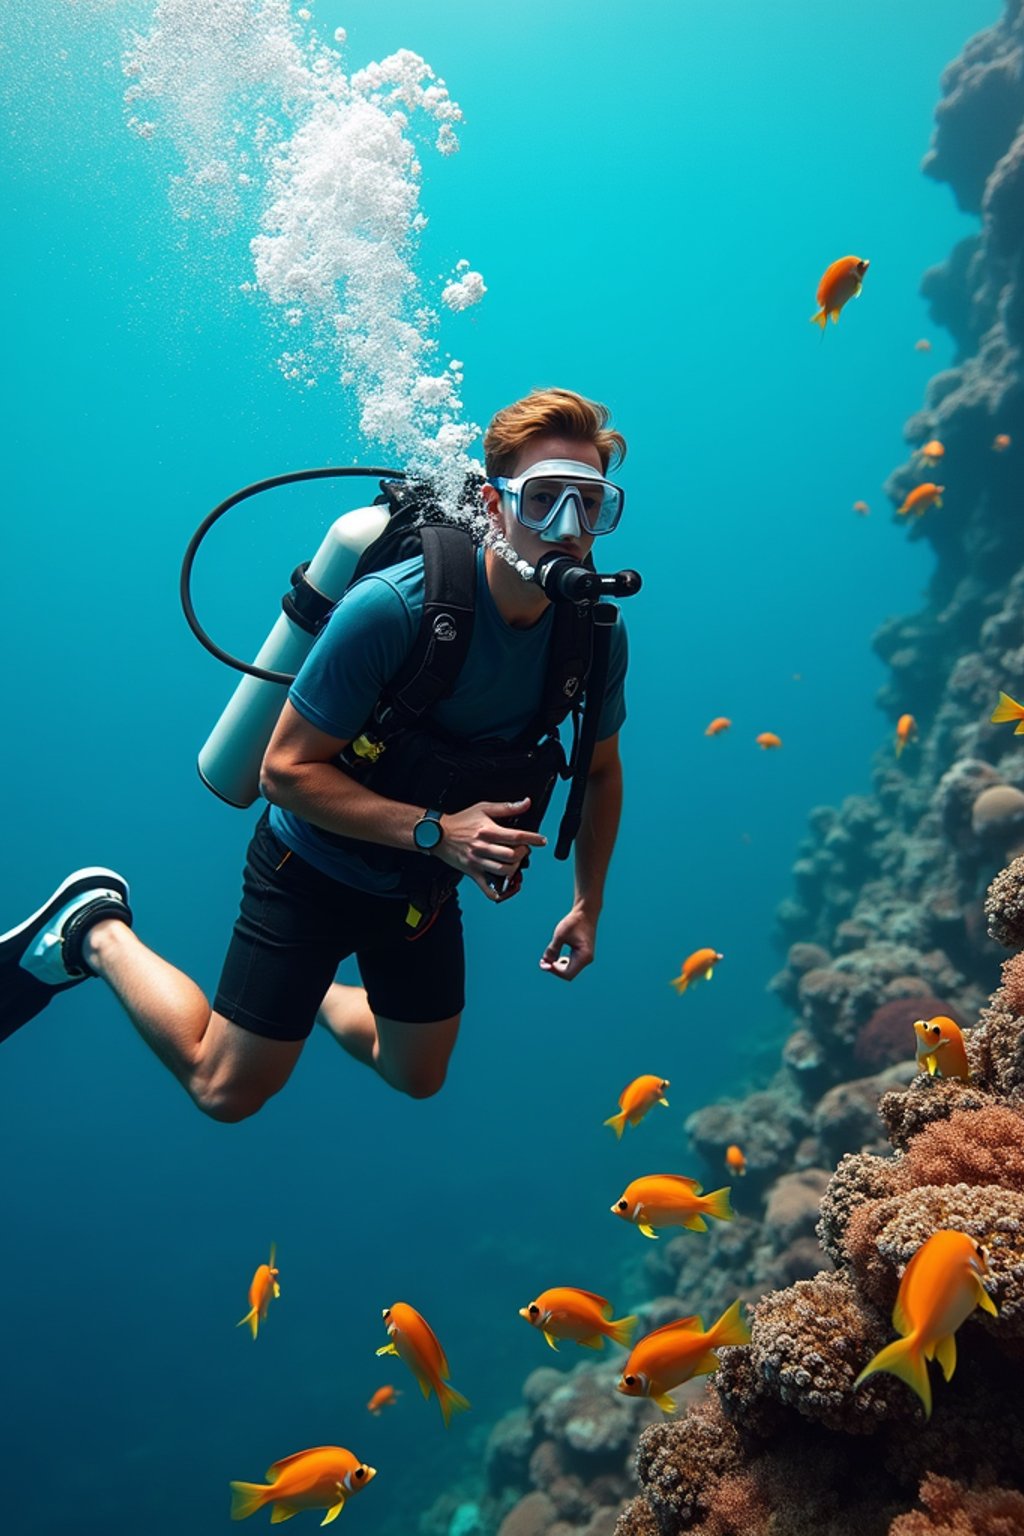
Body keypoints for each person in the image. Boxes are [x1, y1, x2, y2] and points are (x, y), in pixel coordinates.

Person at [0, 388, 629, 1119]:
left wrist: (588, 904)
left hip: (419, 887)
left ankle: (315, 991)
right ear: (493, 505)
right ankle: (92, 929)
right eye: (544, 499)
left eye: (592, 504)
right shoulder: (394, 608)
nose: (569, 526)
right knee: (226, 1089)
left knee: (418, 1075)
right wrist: (439, 830)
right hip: (311, 869)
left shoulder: (594, 636)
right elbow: (282, 771)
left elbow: (602, 769)